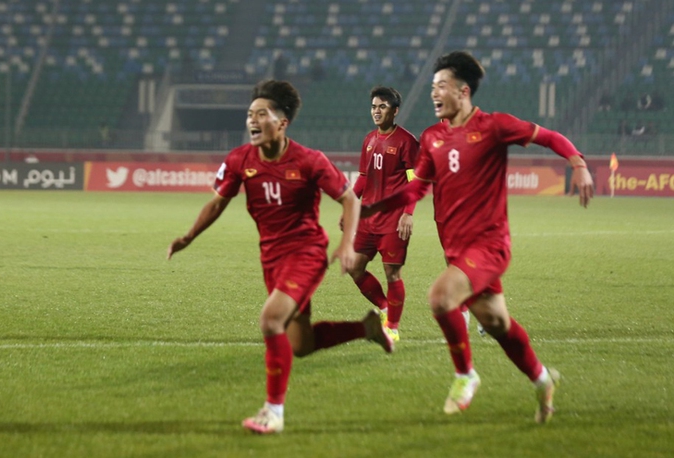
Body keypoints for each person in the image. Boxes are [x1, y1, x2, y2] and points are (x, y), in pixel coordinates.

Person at [361, 51, 594, 424]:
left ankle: (465, 374)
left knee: (440, 296)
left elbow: (548, 136)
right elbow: (416, 188)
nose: (435, 93)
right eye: (433, 87)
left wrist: (578, 163)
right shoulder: (433, 136)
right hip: (457, 248)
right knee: (498, 323)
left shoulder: (494, 126)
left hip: (490, 245)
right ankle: (542, 379)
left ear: (463, 90)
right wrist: (373, 208)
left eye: (442, 86)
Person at [167, 80, 394, 434]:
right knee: (300, 345)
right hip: (271, 259)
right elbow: (217, 202)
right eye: (249, 114)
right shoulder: (240, 160)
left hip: (306, 254)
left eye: (261, 114)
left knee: (270, 321)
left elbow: (350, 199)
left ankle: (273, 412)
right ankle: (366, 328)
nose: (252, 121)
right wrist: (188, 236)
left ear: (282, 122)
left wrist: (347, 245)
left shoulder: (309, 160)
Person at [343, 86, 419, 342]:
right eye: (374, 106)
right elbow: (364, 177)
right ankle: (386, 308)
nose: (376, 111)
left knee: (392, 274)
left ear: (395, 111)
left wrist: (408, 213)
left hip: (393, 220)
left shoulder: (406, 142)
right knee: (354, 267)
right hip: (368, 219)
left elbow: (414, 181)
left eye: (382, 107)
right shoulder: (369, 140)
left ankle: (393, 328)